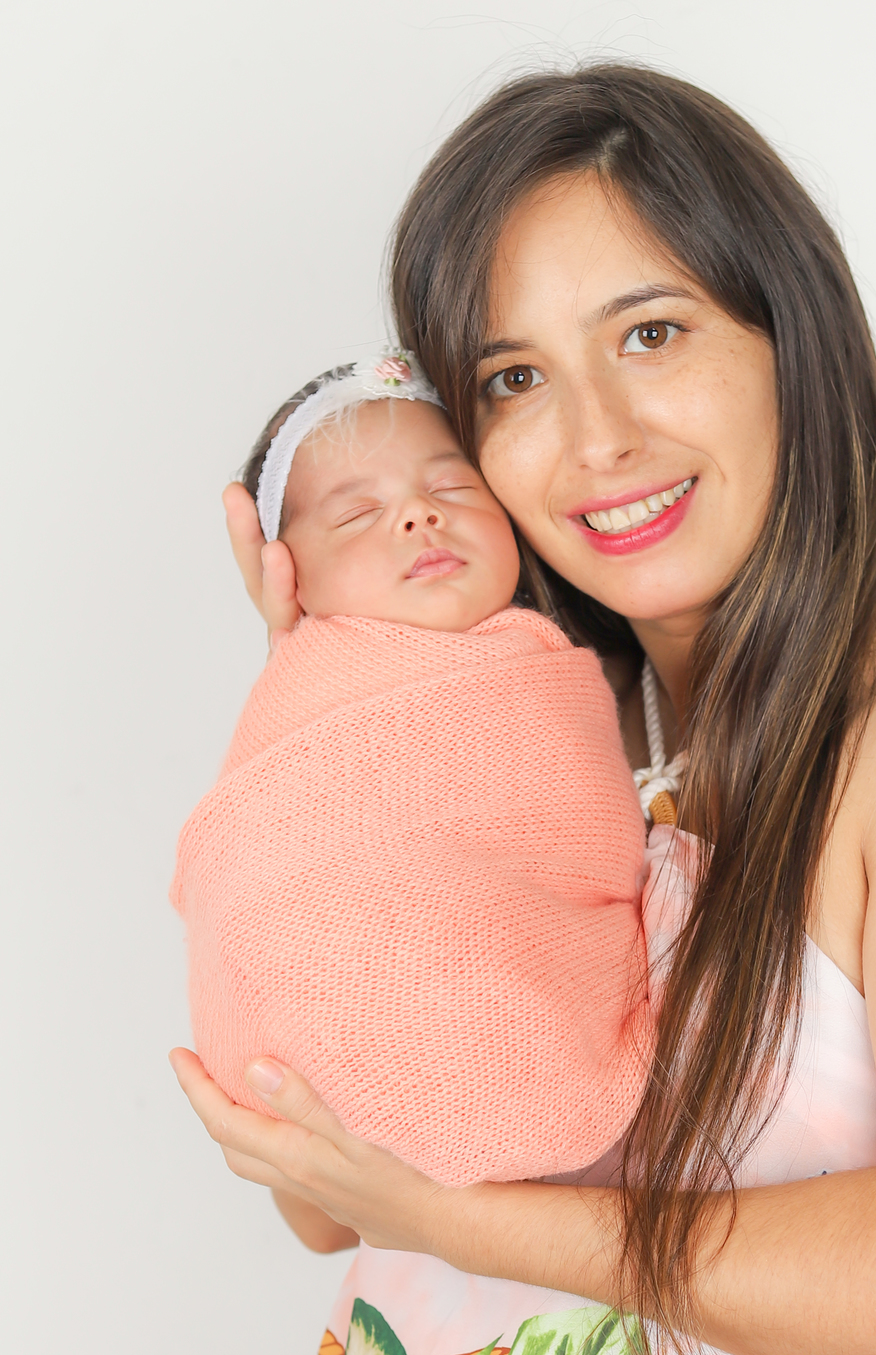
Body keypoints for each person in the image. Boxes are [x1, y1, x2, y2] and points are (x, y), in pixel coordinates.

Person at [172, 63, 876, 1355]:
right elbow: (326, 1192)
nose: (598, 437)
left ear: (791, 335)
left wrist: (477, 1227)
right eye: (514, 378)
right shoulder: (552, 732)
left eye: (651, 333)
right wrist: (338, 729)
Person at [172, 352, 665, 1187]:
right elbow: (270, 884)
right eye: (357, 514)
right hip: (345, 1111)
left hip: (539, 1085)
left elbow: (576, 854)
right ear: (288, 572)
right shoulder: (304, 711)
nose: (418, 516)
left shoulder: (551, 673)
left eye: (452, 487)